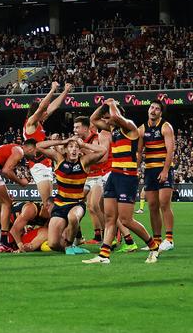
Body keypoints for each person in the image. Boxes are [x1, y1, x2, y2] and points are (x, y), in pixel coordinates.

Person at [83, 99, 159, 265]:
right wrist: (104, 105)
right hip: (114, 176)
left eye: (108, 116)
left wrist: (112, 104)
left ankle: (153, 247)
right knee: (110, 218)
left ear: (117, 115)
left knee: (126, 220)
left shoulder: (130, 126)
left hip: (127, 177)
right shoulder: (112, 128)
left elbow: (116, 116)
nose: (105, 119)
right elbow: (93, 119)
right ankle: (104, 256)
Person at [36, 136, 107, 252]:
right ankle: (68, 248)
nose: (74, 149)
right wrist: (62, 141)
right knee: (53, 244)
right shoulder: (59, 159)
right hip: (59, 206)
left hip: (76, 204)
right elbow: (38, 146)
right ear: (65, 149)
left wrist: (83, 144)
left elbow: (103, 151)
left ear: (79, 151)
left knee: (73, 217)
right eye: (70, 146)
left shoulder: (84, 161)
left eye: (76, 147)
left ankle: (70, 245)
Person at [23, 82, 72, 203]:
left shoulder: (39, 123)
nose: (46, 113)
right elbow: (42, 107)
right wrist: (52, 89)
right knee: (47, 203)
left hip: (45, 163)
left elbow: (53, 106)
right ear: (37, 112)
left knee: (49, 202)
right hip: (38, 165)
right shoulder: (31, 123)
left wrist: (65, 91)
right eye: (44, 112)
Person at [138, 100, 176, 252]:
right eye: (151, 107)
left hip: (163, 168)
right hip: (149, 171)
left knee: (164, 203)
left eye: (157, 109)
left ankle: (169, 239)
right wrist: (134, 168)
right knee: (152, 205)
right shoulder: (142, 129)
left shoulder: (166, 127)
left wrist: (166, 171)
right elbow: (139, 152)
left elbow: (170, 151)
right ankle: (156, 241)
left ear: (161, 113)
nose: (153, 110)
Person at [73, 116, 107, 244]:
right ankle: (79, 236)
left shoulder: (96, 138)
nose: (75, 129)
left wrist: (84, 150)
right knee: (74, 202)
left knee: (95, 205)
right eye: (74, 127)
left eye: (77, 127)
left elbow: (101, 157)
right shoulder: (77, 140)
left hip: (99, 175)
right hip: (87, 177)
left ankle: (107, 237)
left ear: (86, 128)